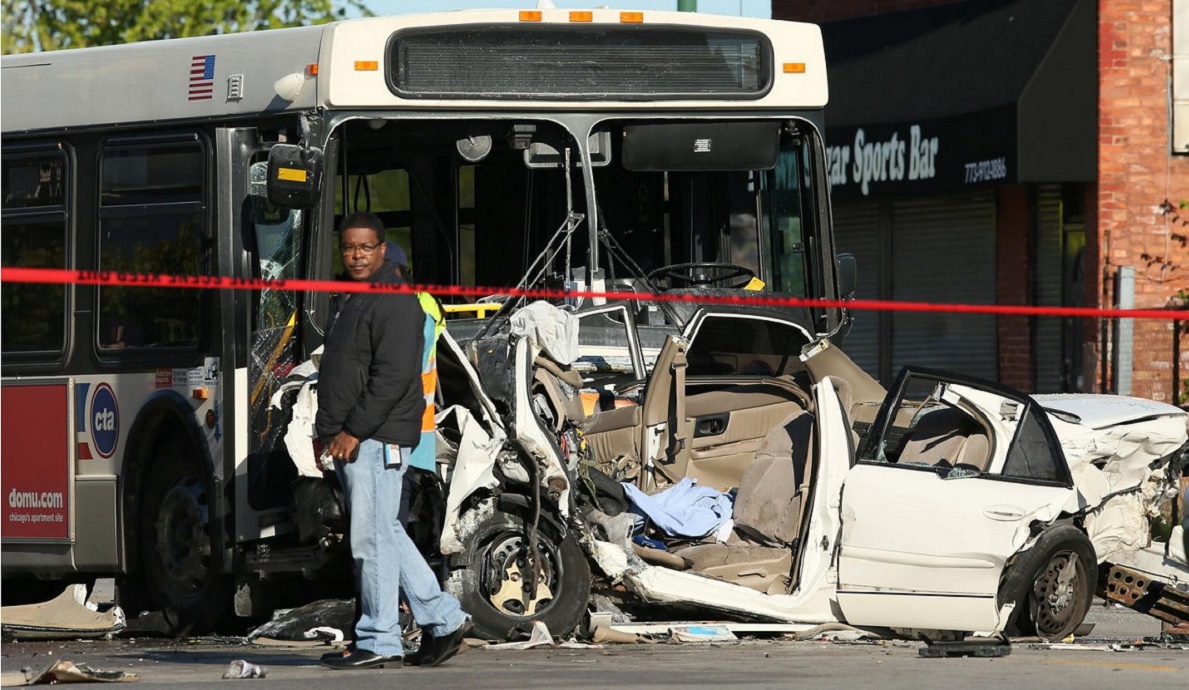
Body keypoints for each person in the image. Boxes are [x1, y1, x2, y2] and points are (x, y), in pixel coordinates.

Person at [316, 212, 471, 670]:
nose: (357, 255)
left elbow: (392, 377)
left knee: (371, 540)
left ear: (383, 249)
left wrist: (352, 431)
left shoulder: (394, 302)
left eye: (366, 247)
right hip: (355, 438)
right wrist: (325, 431)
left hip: (375, 438)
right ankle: (443, 619)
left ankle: (380, 637)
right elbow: (343, 372)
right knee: (385, 534)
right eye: (349, 248)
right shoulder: (357, 298)